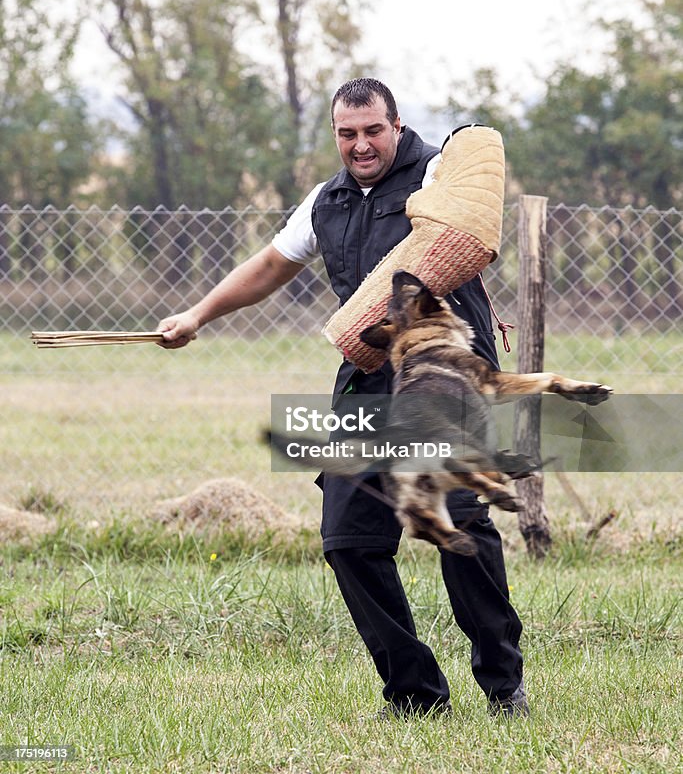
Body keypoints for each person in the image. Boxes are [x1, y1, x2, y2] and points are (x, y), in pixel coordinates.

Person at [158, 77, 528, 719]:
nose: (360, 145)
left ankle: (503, 685)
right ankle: (415, 692)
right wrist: (198, 314)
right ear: (335, 133)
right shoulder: (324, 201)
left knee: (459, 525)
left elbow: (475, 207)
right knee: (348, 540)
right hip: (367, 379)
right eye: (346, 133)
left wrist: (469, 140)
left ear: (397, 125)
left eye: (372, 131)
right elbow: (271, 266)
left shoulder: (433, 173)